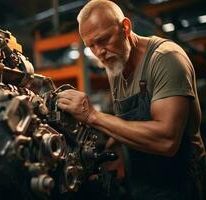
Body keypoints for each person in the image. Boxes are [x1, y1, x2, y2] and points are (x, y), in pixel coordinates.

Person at [57, 0, 206, 199]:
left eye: (103, 39)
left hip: (180, 186)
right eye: (91, 45)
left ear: (125, 27)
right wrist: (98, 162)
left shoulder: (165, 59)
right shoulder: (116, 63)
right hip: (141, 183)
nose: (99, 51)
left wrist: (92, 116)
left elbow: (167, 140)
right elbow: (127, 124)